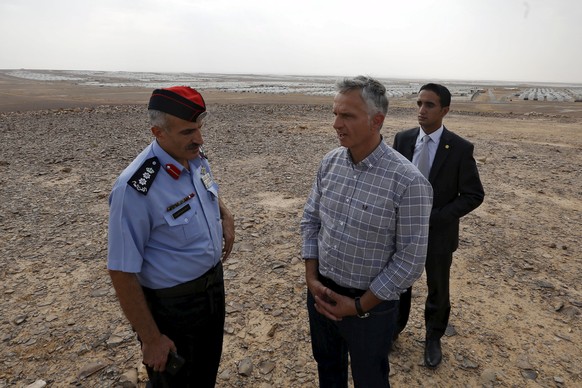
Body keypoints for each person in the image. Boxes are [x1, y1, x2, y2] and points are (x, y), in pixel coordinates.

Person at [301, 76, 433, 388]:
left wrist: (359, 306)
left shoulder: (408, 182)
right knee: (328, 369)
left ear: (377, 120)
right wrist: (311, 279)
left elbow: (409, 260)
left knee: (370, 377)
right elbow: (310, 220)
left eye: (346, 115)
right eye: (335, 113)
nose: (336, 123)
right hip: (321, 295)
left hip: (370, 309)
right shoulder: (330, 163)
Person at [107, 86, 235, 387]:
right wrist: (151, 339)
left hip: (212, 292)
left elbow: (204, 190)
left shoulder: (193, 156)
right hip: (174, 309)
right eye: (189, 132)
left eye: (200, 128)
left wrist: (225, 213)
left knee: (204, 374)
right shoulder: (135, 189)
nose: (200, 139)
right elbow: (121, 270)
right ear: (158, 132)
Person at [392, 83, 484, 368]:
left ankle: (433, 338)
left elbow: (473, 195)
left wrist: (436, 216)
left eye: (429, 105)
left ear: (445, 110)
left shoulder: (459, 148)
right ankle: (392, 331)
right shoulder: (403, 139)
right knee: (398, 284)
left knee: (438, 288)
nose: (422, 110)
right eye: (419, 103)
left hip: (439, 234)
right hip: (401, 232)